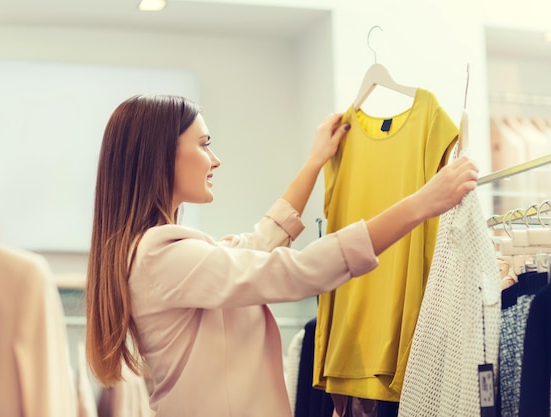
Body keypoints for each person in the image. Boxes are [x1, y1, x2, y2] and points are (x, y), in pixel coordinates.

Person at [85, 94, 478, 417]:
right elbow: (298, 271)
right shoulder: (162, 257)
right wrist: (422, 204)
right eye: (204, 144)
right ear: (160, 156)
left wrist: (315, 162)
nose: (215, 159)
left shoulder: (162, 253)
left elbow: (259, 243)